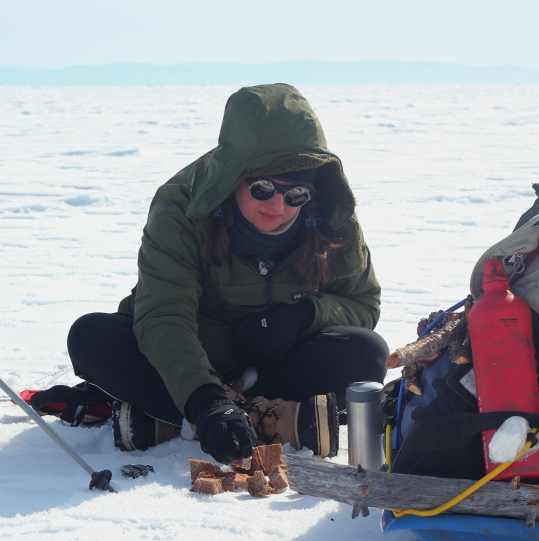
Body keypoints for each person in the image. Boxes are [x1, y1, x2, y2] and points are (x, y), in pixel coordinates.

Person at [66, 83, 388, 465]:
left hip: (272, 366)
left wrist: (304, 314)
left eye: (296, 194)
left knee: (366, 352)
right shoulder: (180, 207)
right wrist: (206, 399)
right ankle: (265, 419)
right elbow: (165, 315)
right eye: (263, 187)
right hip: (187, 352)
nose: (278, 206)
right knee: (92, 338)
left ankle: (173, 421)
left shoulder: (333, 220)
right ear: (234, 176)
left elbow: (363, 304)